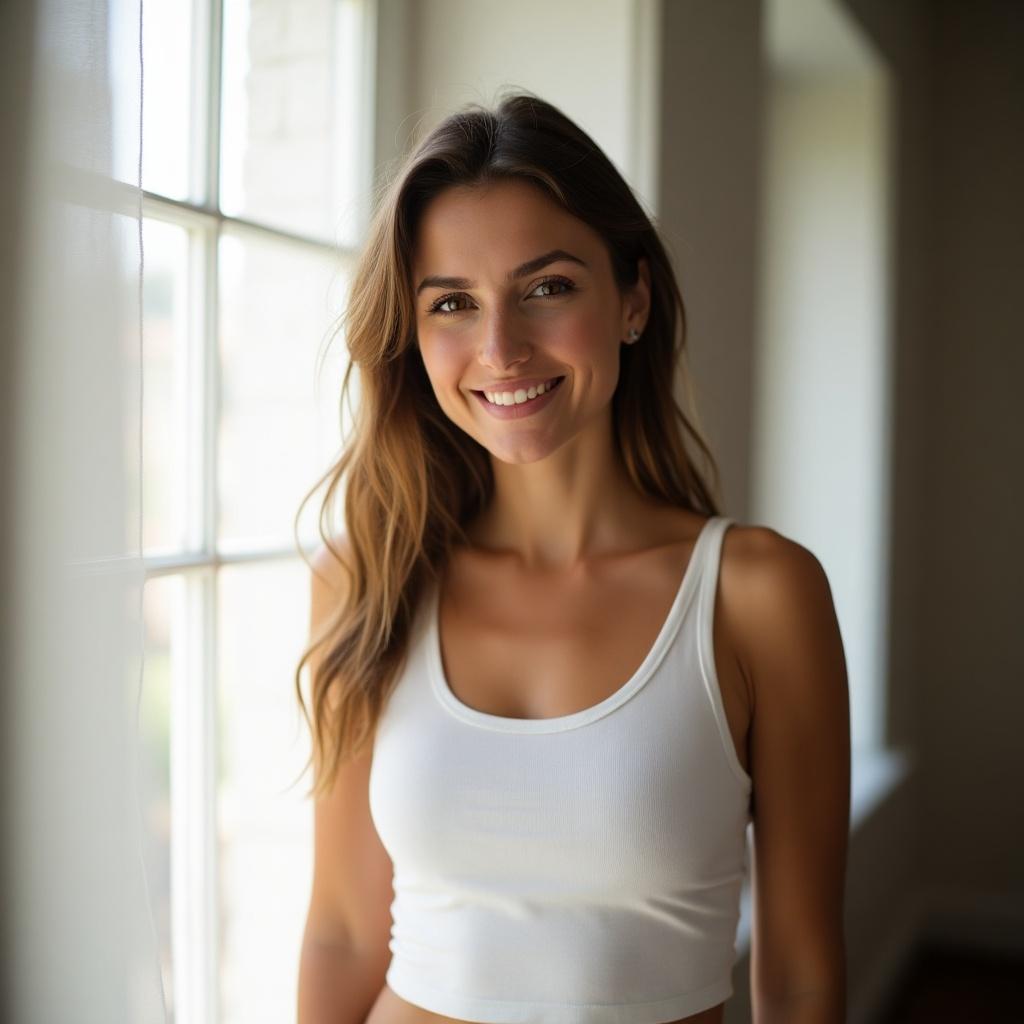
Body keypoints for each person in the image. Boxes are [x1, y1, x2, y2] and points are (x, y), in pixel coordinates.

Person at [294, 91, 850, 1024]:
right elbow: (343, 933)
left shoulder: (756, 595)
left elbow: (798, 974)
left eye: (547, 288)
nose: (501, 349)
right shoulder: (369, 576)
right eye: (452, 303)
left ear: (631, 297)